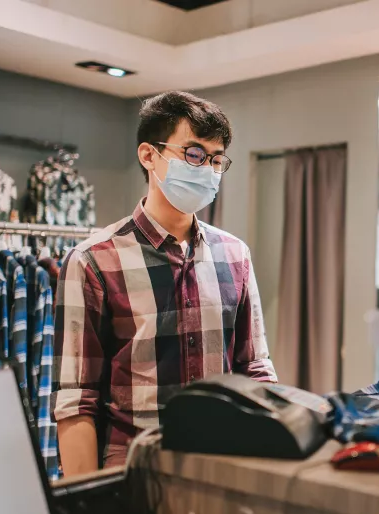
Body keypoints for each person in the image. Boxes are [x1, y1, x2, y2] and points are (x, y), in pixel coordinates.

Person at [52, 91, 278, 476]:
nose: (206, 168)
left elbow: (254, 368)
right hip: (134, 477)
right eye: (193, 154)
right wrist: (87, 509)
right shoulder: (94, 260)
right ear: (149, 155)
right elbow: (77, 400)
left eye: (216, 159)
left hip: (221, 468)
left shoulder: (234, 254)